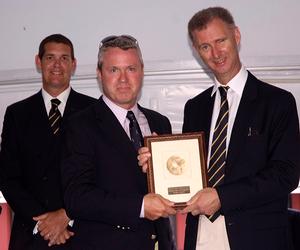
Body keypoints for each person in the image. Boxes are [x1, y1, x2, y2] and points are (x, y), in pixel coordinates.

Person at [139, 6, 300, 250]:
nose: (216, 53)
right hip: (201, 235)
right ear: (197, 51)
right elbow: (189, 170)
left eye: (220, 41)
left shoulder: (277, 102)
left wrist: (222, 198)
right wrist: (158, 165)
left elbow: (285, 175)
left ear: (236, 36)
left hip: (257, 238)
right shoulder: (195, 107)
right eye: (205, 46)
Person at [60, 35, 176, 250]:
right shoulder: (80, 125)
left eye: (130, 69)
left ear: (141, 71)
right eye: (114, 70)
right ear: (99, 74)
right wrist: (140, 207)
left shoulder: (160, 122)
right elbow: (77, 197)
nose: (123, 79)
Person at [0, 34, 96, 249]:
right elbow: (8, 177)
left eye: (64, 58)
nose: (57, 65)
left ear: (73, 64)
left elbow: (101, 175)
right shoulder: (17, 114)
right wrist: (44, 222)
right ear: (38, 61)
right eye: (50, 57)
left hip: (82, 233)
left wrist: (65, 216)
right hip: (31, 233)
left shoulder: (93, 111)